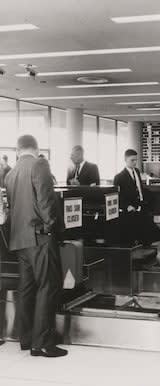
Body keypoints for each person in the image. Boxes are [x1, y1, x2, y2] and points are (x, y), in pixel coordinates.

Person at [5, 135, 67, 357]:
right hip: (39, 237)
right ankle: (42, 343)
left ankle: (26, 338)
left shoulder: (10, 173)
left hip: (19, 240)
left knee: (27, 289)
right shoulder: (39, 164)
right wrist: (52, 227)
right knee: (47, 287)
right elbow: (46, 201)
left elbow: (13, 207)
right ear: (36, 148)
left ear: (18, 150)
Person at [113, 149, 160, 246]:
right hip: (130, 209)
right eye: (132, 160)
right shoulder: (119, 177)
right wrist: (127, 206)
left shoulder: (137, 172)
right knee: (132, 236)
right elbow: (118, 195)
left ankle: (148, 252)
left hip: (141, 206)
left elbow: (140, 188)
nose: (135, 162)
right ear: (125, 160)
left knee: (147, 234)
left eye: (136, 160)